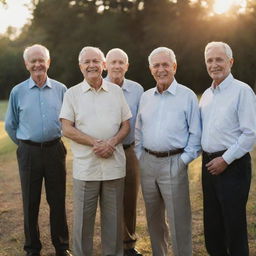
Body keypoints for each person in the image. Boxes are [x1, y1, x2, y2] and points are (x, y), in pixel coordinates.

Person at [59, 46, 132, 256]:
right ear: (80, 66)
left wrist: (112, 143)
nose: (92, 65)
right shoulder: (72, 94)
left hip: (114, 167)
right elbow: (66, 128)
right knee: (83, 223)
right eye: (87, 62)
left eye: (96, 61)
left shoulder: (116, 92)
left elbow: (126, 125)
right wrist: (95, 143)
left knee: (114, 222)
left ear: (103, 65)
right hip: (86, 168)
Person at [5, 44, 72, 256]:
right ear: (26, 64)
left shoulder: (62, 89)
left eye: (41, 60)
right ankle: (32, 249)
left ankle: (62, 247)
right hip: (29, 152)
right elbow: (10, 124)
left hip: (55, 150)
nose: (37, 64)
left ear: (48, 62)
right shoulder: (18, 91)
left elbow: (70, 120)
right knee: (30, 201)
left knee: (58, 200)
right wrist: (26, 145)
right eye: (33, 61)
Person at [135, 47, 201, 256]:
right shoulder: (146, 97)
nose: (161, 69)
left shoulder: (187, 96)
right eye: (156, 65)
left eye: (165, 65)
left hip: (175, 162)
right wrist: (140, 157)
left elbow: (196, 134)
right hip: (148, 163)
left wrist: (183, 161)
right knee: (154, 219)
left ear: (174, 66)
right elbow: (138, 131)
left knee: (178, 220)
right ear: (150, 69)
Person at [200, 41, 256, 256]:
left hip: (233, 165)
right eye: (210, 60)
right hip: (209, 164)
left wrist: (225, 159)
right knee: (212, 225)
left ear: (230, 62)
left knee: (233, 225)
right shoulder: (206, 95)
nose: (214, 65)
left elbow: (250, 133)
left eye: (219, 59)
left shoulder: (242, 91)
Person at [105, 48, 144, 256]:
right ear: (106, 65)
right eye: (113, 62)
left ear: (127, 66)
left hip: (129, 151)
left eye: (121, 62)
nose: (117, 66)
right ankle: (112, 245)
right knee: (109, 199)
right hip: (105, 152)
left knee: (129, 198)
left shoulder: (137, 90)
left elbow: (142, 121)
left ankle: (128, 244)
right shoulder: (97, 87)